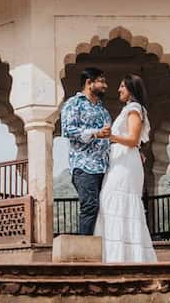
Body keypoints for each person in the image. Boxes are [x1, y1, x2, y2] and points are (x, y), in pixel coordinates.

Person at [95, 73, 158, 263]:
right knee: (111, 201)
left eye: (122, 86)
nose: (119, 90)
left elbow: (132, 139)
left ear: (131, 89)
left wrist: (111, 137)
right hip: (122, 161)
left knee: (116, 201)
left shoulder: (134, 108)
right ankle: (118, 255)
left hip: (125, 163)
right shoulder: (131, 109)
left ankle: (124, 257)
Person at [60, 66, 111, 235]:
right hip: (84, 166)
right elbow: (67, 130)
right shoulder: (74, 104)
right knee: (90, 206)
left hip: (104, 167)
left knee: (105, 209)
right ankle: (85, 250)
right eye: (101, 81)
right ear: (89, 83)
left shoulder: (102, 110)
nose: (105, 86)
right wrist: (95, 133)